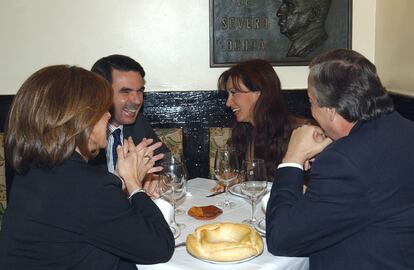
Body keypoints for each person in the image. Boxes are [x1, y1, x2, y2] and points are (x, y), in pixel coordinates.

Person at [0, 65, 174, 269]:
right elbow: (159, 247)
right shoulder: (88, 187)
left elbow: (82, 220)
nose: (108, 117)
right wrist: (134, 184)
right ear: (81, 120)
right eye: (102, 110)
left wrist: (118, 181)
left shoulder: (32, 171)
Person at [266, 49, 414, 269]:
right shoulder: (404, 128)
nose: (311, 110)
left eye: (311, 102)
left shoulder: (345, 162)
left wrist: (292, 158)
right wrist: (336, 147)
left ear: (331, 111)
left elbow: (282, 238)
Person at [217, 59, 308, 181]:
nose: (228, 103)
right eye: (228, 95)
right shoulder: (244, 131)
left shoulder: (299, 132)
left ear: (259, 93)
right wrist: (238, 179)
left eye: (234, 92)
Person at [90, 54, 169, 173]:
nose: (137, 100)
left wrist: (154, 179)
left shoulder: (139, 124)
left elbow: (169, 166)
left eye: (140, 91)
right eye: (125, 92)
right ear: (101, 93)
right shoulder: (84, 132)